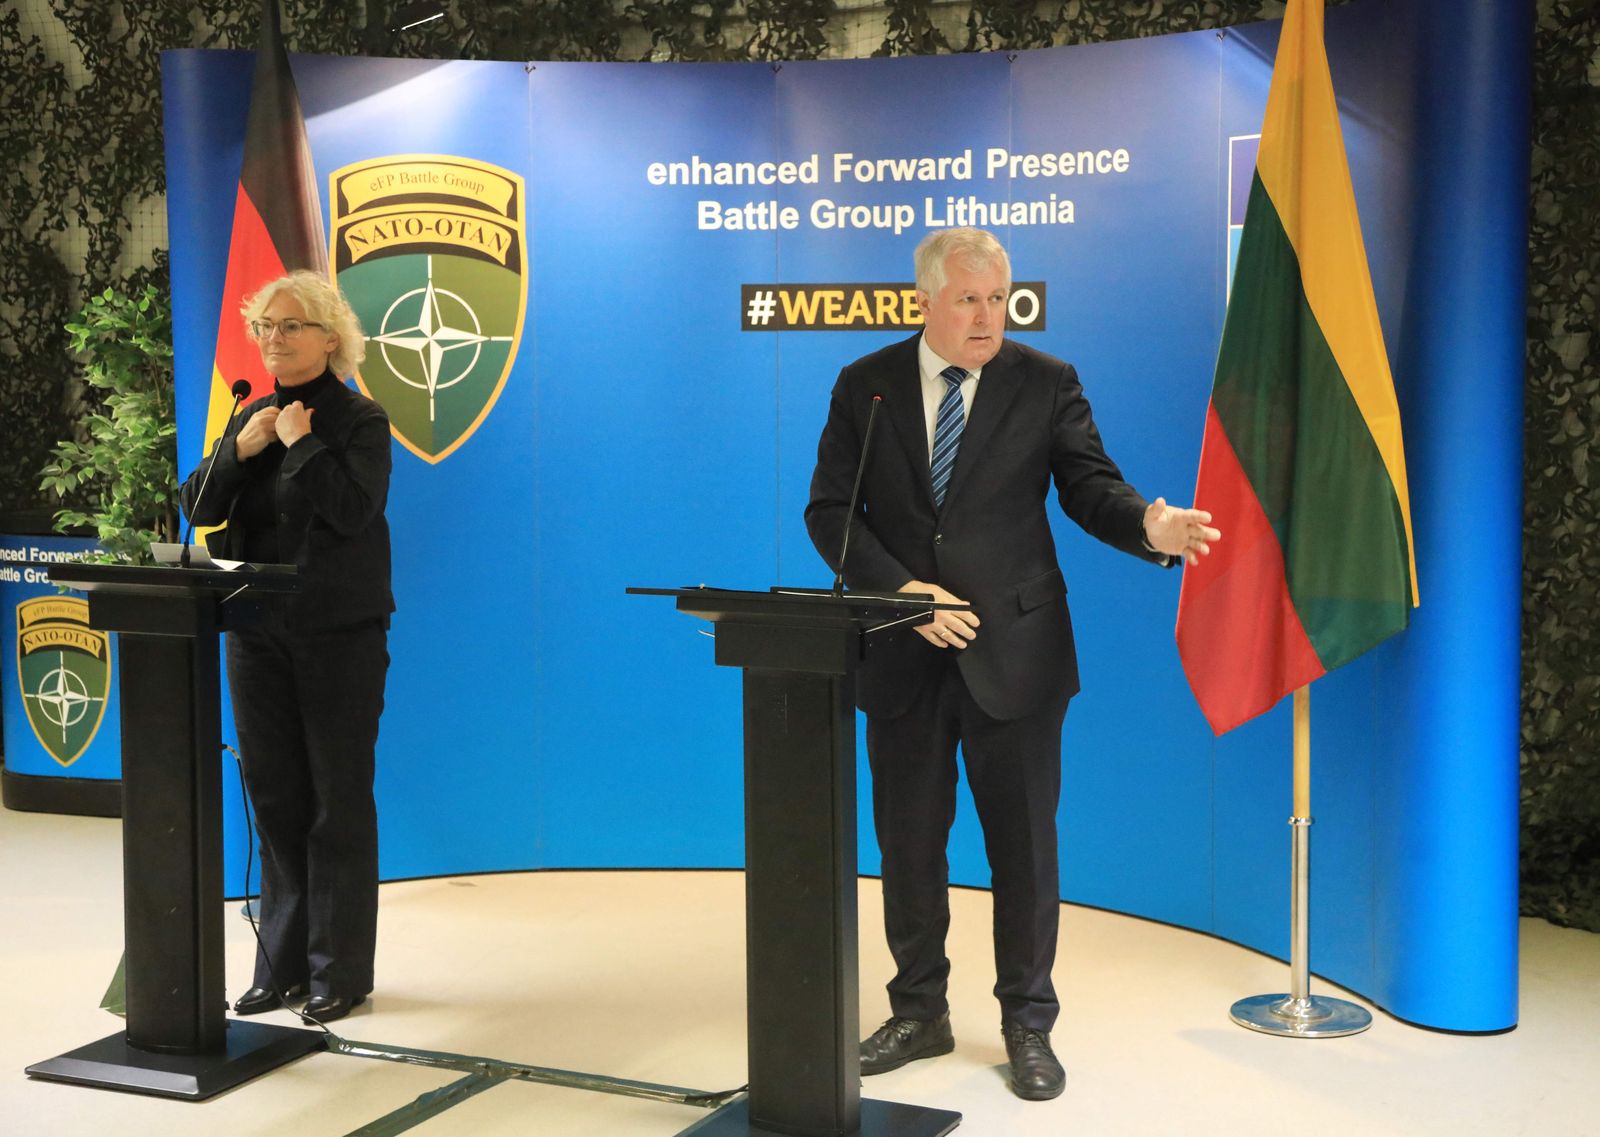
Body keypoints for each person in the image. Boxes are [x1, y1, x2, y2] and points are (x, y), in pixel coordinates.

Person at [805, 228, 1217, 1100]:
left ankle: (1028, 1024)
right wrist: (905, 591)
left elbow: (1089, 486)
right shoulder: (865, 387)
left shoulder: (1046, 381)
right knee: (909, 843)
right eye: (967, 299)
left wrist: (1148, 525)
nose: (987, 315)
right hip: (905, 652)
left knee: (1024, 849)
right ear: (924, 301)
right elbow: (831, 514)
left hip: (1017, 655)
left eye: (998, 298)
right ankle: (919, 1011)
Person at [180, 270, 393, 1024]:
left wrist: (302, 446)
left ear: (330, 337)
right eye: (264, 327)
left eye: (289, 326)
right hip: (256, 633)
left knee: (335, 802)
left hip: (338, 634)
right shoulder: (250, 414)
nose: (273, 339)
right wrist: (239, 451)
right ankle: (280, 965)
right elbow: (198, 509)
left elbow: (351, 508)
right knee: (274, 798)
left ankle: (339, 970)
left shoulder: (360, 420)